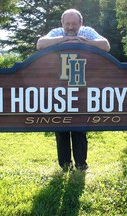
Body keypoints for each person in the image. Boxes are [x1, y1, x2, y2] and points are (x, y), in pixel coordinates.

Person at [36, 9, 110, 171]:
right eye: (67, 24)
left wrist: (85, 42)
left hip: (82, 86)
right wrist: (64, 39)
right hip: (60, 86)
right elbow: (40, 44)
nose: (70, 27)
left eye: (74, 24)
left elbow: (106, 46)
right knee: (61, 126)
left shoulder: (87, 32)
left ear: (80, 24)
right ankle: (65, 165)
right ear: (62, 24)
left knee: (80, 125)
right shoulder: (56, 32)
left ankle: (81, 165)